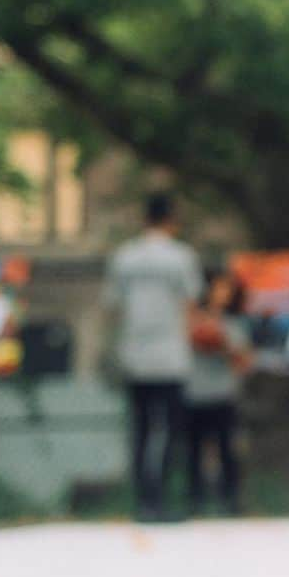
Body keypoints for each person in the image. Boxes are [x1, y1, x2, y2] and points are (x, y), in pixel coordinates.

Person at [103, 192, 202, 521]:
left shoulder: (124, 257)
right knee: (171, 431)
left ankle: (143, 501)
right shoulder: (181, 257)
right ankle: (164, 499)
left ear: (145, 219)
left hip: (134, 353)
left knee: (140, 430)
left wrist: (114, 348)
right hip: (171, 355)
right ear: (171, 220)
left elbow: (112, 308)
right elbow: (189, 306)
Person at [184, 269, 253, 515]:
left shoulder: (236, 323)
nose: (222, 295)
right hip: (194, 393)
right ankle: (195, 501)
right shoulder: (191, 317)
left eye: (227, 290)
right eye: (218, 288)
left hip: (224, 393)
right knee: (194, 450)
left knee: (228, 450)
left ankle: (231, 500)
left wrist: (224, 344)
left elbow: (245, 361)